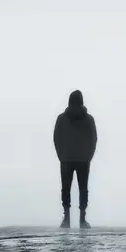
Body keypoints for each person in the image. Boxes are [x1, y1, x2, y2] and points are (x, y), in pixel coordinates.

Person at [53, 89, 97, 229]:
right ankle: (72, 219)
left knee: (78, 189)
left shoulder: (87, 119)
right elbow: (56, 138)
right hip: (71, 159)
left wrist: (88, 156)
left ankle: (77, 220)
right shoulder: (63, 119)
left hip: (78, 159)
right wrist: (61, 156)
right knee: (72, 189)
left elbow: (93, 139)